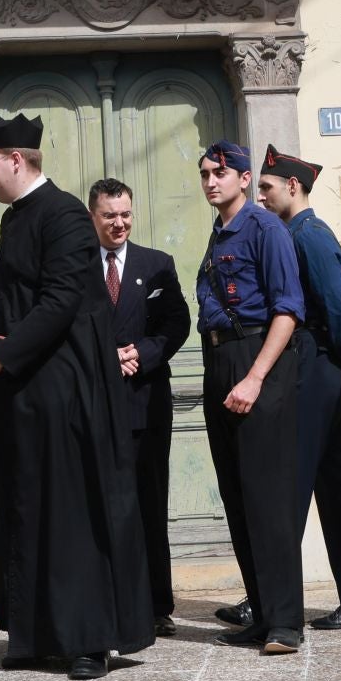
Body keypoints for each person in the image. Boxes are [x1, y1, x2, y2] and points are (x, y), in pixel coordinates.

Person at [0, 112, 152, 680]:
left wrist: (1, 356)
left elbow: (59, 303)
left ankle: (87, 641)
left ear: (16, 159)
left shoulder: (63, 215)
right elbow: (18, 293)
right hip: (26, 393)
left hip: (65, 390)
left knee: (71, 511)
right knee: (27, 507)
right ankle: (34, 635)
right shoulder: (18, 218)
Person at [256, 145, 341, 631]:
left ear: (293, 186)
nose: (261, 198)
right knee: (337, 488)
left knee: (288, 485)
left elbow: (339, 309)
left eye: (267, 188)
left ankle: (270, 600)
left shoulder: (307, 235)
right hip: (323, 367)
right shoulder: (294, 232)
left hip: (316, 366)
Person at [195, 140, 306, 655]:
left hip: (255, 360)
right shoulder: (219, 234)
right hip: (220, 362)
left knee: (267, 499)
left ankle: (286, 622)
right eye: (205, 174)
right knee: (239, 498)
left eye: (221, 172)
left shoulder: (265, 229)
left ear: (244, 178)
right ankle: (262, 615)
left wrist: (256, 377)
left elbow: (287, 310)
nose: (212, 181)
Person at [89, 177, 191, 637]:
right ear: (94, 215)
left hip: (145, 401)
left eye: (125, 214)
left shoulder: (157, 264)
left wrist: (142, 354)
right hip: (94, 401)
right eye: (110, 215)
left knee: (149, 501)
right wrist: (103, 357)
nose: (119, 223)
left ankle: (155, 604)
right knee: (103, 504)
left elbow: (177, 323)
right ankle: (110, 600)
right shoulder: (77, 267)